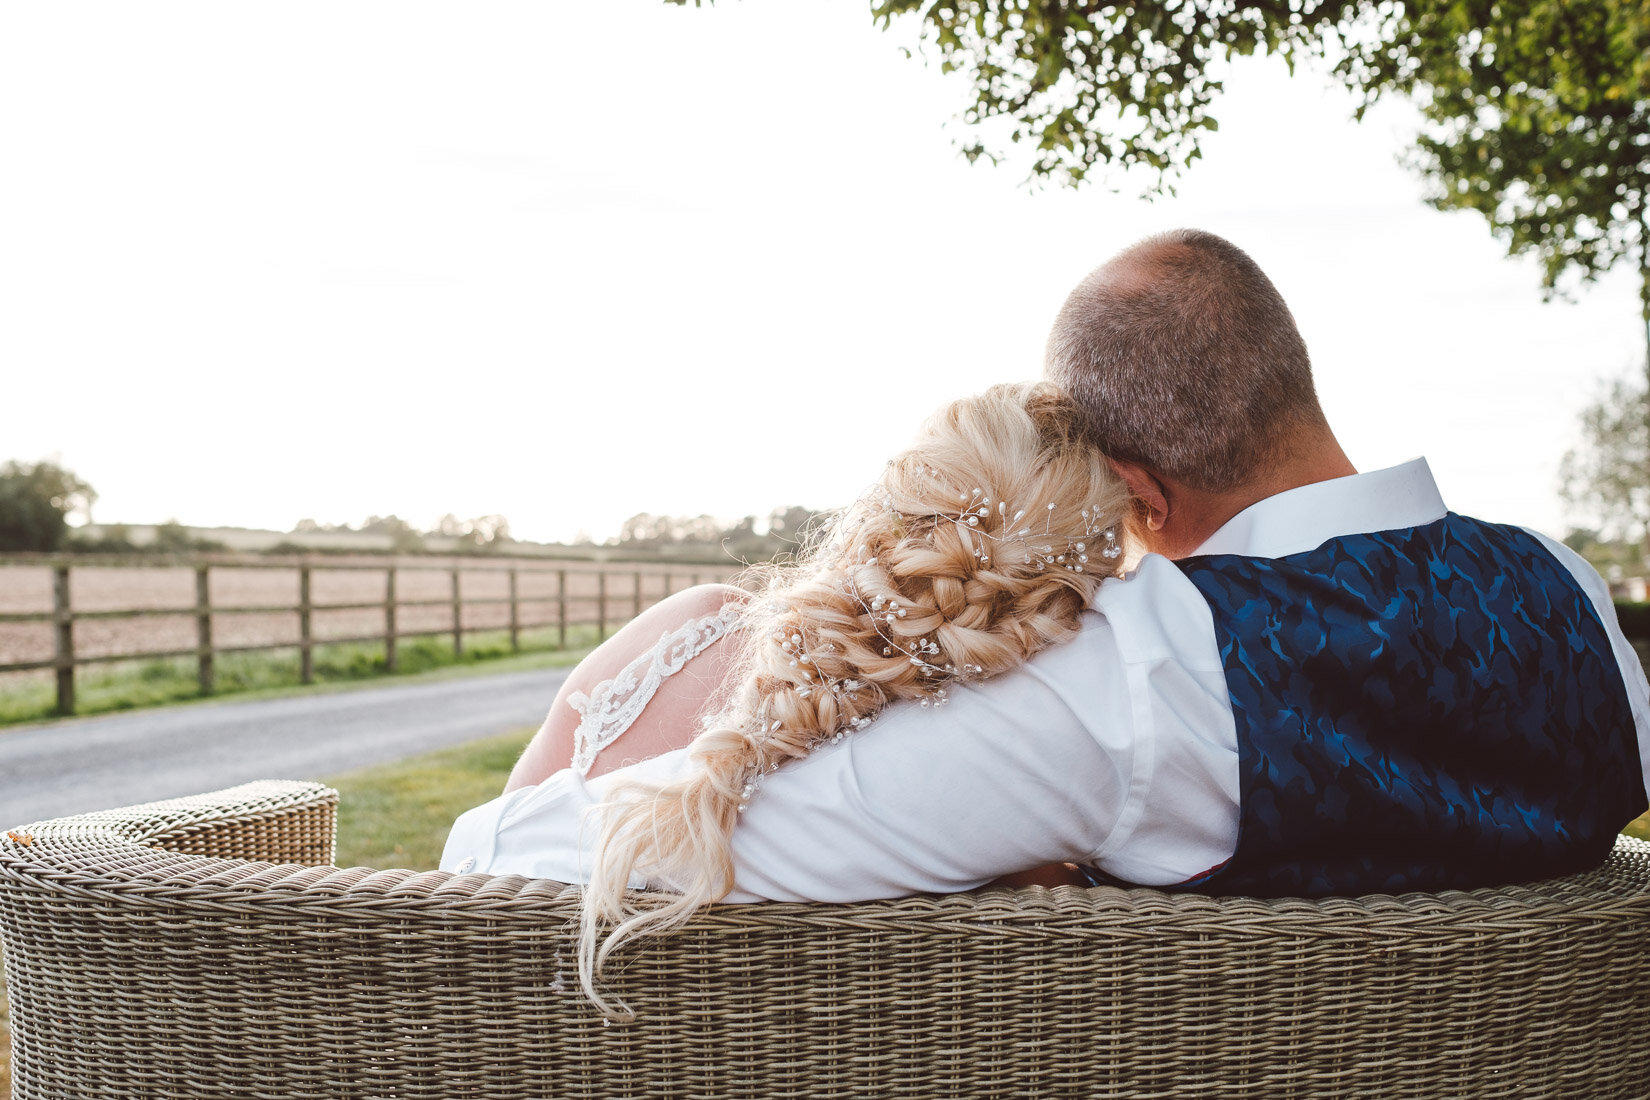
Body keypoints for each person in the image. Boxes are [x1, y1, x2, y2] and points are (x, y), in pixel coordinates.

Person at [444, 229, 1650, 1010]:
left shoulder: (1142, 682)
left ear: (1136, 496)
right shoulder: (1573, 596)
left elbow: (566, 864)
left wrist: (499, 822)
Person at [443, 380, 1137, 1013]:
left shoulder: (690, 628)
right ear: (1069, 600)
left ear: (885, 517)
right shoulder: (1008, 816)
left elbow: (463, 891)